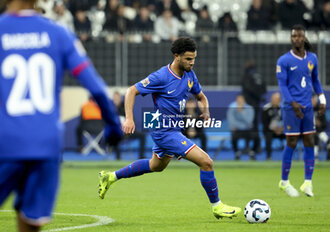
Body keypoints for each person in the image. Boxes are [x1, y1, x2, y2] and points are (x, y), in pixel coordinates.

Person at [0, 1, 123, 232]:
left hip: (6, 142)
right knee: (30, 222)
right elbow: (96, 88)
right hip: (46, 145)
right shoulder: (59, 33)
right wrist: (114, 126)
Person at [98, 37, 241, 219]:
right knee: (206, 162)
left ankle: (110, 177)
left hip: (174, 130)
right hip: (164, 131)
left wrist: (205, 112)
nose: (192, 62)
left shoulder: (190, 75)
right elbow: (131, 90)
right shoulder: (161, 77)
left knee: (155, 166)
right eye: (188, 59)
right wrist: (129, 119)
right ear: (177, 56)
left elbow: (201, 97)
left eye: (194, 58)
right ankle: (217, 206)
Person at [276, 24, 326, 198]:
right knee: (291, 142)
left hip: (307, 106)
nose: (297, 39)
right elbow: (282, 85)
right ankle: (284, 182)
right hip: (290, 107)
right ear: (291, 39)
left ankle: (307, 183)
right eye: (294, 36)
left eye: (299, 36)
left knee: (309, 141)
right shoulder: (283, 61)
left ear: (304, 37)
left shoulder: (312, 58)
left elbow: (316, 80)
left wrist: (322, 98)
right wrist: (292, 103)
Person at [112, 91, 146, 160]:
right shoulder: (110, 109)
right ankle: (118, 158)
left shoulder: (125, 107)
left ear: (120, 98)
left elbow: (133, 119)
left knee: (142, 135)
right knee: (113, 136)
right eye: (114, 98)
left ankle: (141, 156)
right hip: (117, 132)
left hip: (128, 131)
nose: (116, 100)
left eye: (117, 98)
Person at [227, 94, 258, 160]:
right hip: (237, 129)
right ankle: (237, 153)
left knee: (257, 137)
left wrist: (241, 112)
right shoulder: (232, 107)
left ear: (244, 100)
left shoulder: (249, 108)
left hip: (248, 129)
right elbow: (231, 120)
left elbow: (249, 121)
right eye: (238, 100)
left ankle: (252, 152)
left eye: (241, 100)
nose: (239, 101)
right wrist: (241, 126)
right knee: (233, 136)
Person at [262, 92, 284, 160]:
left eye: (276, 99)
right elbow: (265, 123)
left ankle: (289, 156)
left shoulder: (284, 108)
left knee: (292, 135)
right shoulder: (266, 108)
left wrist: (281, 129)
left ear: (280, 100)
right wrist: (274, 129)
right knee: (268, 135)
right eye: (273, 99)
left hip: (282, 130)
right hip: (270, 130)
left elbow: (288, 121)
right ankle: (268, 156)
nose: (274, 101)